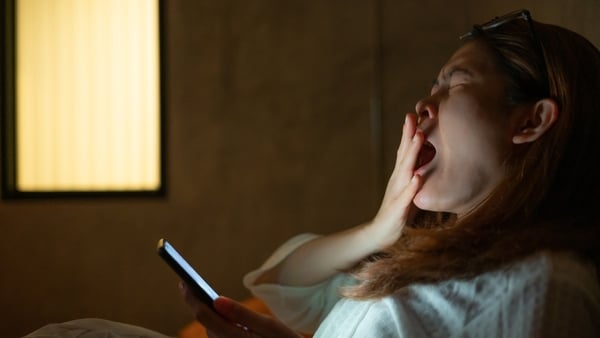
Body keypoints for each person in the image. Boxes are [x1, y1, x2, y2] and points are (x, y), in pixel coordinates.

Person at [23, 8, 600, 338]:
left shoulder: (544, 285)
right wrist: (380, 229)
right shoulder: (440, 251)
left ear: (531, 121)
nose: (424, 106)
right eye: (431, 85)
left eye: (455, 83)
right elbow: (285, 280)